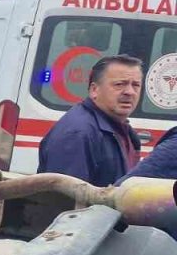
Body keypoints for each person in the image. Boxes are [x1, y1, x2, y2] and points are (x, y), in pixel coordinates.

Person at [37, 55, 143, 187]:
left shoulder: (120, 128)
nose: (130, 92)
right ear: (94, 90)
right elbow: (66, 200)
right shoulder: (78, 134)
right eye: (119, 84)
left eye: (136, 85)